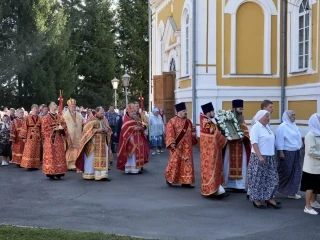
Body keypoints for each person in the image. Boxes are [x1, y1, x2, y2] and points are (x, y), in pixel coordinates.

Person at [247, 110, 280, 209]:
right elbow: (254, 142)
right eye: (267, 116)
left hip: (269, 157)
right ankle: (256, 199)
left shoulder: (267, 127)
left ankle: (269, 197)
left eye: (269, 116)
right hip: (259, 157)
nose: (269, 118)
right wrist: (260, 156)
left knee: (272, 179)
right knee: (258, 180)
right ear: (260, 117)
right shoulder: (256, 127)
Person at [165, 102, 197, 188]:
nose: (185, 112)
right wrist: (171, 143)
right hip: (177, 147)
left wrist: (193, 135)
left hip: (187, 148)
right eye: (183, 111)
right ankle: (170, 178)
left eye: (186, 110)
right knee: (175, 163)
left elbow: (193, 130)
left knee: (187, 164)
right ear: (178, 112)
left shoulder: (188, 121)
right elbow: (169, 132)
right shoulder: (172, 121)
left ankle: (186, 182)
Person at [76, 107, 113, 181]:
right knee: (91, 159)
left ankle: (102, 174)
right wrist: (96, 130)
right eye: (101, 113)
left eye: (103, 113)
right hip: (93, 142)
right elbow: (86, 130)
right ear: (96, 112)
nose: (103, 114)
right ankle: (90, 174)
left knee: (103, 157)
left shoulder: (104, 119)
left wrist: (106, 130)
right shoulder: (91, 119)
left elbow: (109, 129)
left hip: (102, 141)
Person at [200, 102, 228, 197]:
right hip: (210, 152)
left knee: (211, 171)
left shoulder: (205, 121)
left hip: (209, 151)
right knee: (212, 170)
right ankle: (213, 190)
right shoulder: (207, 123)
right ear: (209, 112)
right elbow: (215, 135)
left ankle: (216, 189)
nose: (214, 113)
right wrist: (226, 139)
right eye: (213, 111)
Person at [223, 99, 251, 191]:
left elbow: (246, 131)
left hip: (239, 145)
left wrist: (243, 136)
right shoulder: (228, 118)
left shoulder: (241, 119)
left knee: (241, 165)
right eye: (240, 108)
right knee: (227, 164)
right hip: (230, 146)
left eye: (242, 109)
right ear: (234, 108)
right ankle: (227, 184)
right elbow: (223, 131)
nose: (241, 111)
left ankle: (239, 186)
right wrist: (228, 135)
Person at [276, 110, 303, 199]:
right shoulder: (282, 127)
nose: (294, 117)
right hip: (287, 152)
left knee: (296, 172)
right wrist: (280, 152)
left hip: (296, 151)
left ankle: (291, 193)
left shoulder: (294, 126)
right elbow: (279, 140)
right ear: (287, 117)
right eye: (292, 115)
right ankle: (275, 187)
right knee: (286, 172)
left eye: (294, 115)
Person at [117, 103, 149, 174]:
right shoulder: (126, 118)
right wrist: (133, 128)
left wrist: (142, 127)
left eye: (135, 111)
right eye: (132, 111)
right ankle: (130, 169)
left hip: (138, 138)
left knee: (138, 152)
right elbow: (124, 128)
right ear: (129, 112)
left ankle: (138, 168)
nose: (134, 113)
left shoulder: (137, 117)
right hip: (130, 139)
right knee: (132, 154)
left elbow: (142, 124)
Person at [41, 102, 69, 180]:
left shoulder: (59, 116)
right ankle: (51, 172)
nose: (56, 105)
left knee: (59, 155)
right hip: (50, 140)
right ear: (50, 106)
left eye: (56, 105)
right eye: (54, 104)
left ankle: (59, 171)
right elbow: (44, 129)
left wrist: (62, 128)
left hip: (59, 139)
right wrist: (54, 129)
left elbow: (64, 125)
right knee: (51, 155)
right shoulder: (46, 117)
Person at [300, 113, 320, 215]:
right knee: (310, 186)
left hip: (318, 165)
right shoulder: (310, 135)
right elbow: (310, 151)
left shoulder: (318, 132)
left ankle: (313, 201)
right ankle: (307, 206)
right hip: (311, 166)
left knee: (316, 185)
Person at [63, 98, 83, 171]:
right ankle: (69, 164)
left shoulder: (79, 115)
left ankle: (75, 164)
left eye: (74, 106)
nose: (73, 108)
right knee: (70, 149)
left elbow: (83, 123)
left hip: (78, 135)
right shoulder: (65, 116)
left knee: (77, 149)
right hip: (69, 136)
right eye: (72, 106)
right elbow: (63, 125)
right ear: (68, 107)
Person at [19, 104, 41, 171]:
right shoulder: (27, 117)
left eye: (37, 109)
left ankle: (35, 165)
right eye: (34, 108)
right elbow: (24, 127)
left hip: (37, 136)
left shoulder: (40, 118)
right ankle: (29, 165)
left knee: (36, 151)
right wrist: (23, 137)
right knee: (29, 150)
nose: (36, 110)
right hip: (30, 136)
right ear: (32, 109)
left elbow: (41, 127)